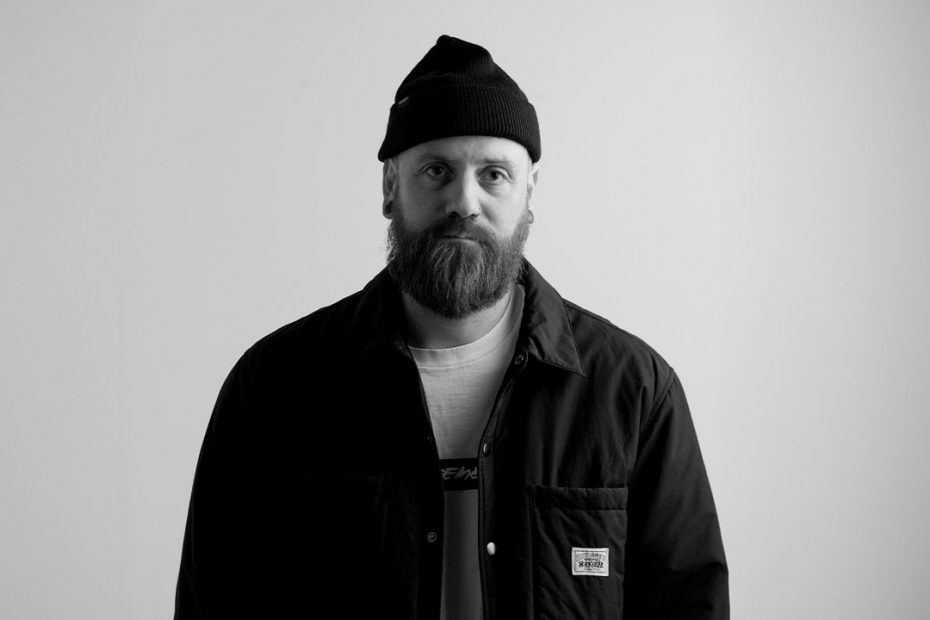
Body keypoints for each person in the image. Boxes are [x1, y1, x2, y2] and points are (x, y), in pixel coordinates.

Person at [174, 34, 728, 619]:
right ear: (391, 187)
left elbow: (688, 606)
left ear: (529, 194)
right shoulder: (276, 386)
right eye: (437, 170)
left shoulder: (632, 391)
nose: (464, 201)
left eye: (494, 174)